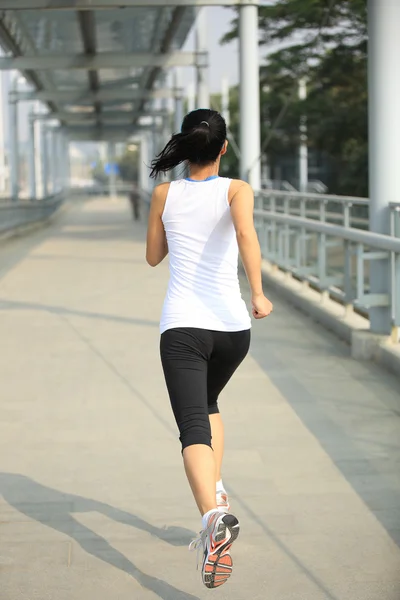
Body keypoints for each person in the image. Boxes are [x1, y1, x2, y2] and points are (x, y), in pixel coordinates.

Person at [145, 108, 273, 589]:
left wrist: (173, 224)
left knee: (191, 426)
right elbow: (245, 235)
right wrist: (258, 293)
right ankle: (217, 492)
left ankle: (211, 522)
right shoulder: (237, 189)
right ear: (223, 148)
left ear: (184, 147)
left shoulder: (164, 193)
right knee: (210, 403)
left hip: (183, 328)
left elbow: (154, 256)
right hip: (233, 330)